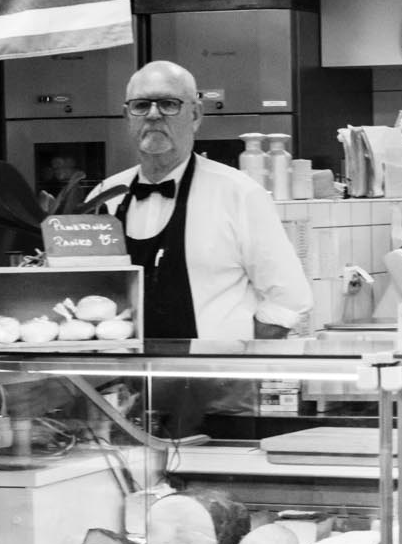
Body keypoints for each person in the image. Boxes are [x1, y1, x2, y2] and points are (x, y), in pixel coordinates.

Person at [90, 60, 311, 341]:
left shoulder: (239, 194)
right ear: (127, 116)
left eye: (168, 104)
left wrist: (233, 363)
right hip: (123, 381)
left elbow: (288, 300)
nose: (153, 115)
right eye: (141, 105)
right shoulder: (103, 198)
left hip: (215, 379)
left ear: (195, 115)